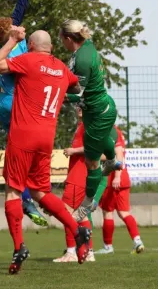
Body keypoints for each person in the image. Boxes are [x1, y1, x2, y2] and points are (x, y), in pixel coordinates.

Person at [0, 27, 91, 274]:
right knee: (40, 191)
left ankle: (19, 246)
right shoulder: (62, 68)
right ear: (52, 48)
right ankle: (78, 231)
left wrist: (13, 40)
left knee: (13, 190)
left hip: (23, 135)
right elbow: (76, 88)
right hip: (46, 138)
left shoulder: (27, 60)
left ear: (31, 46)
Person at [0, 0, 47, 227]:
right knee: (26, 154)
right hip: (16, 105)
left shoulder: (8, 45)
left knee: (16, 155)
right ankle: (29, 198)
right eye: (14, 24)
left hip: (4, 104)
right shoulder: (16, 49)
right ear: (10, 30)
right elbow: (22, 1)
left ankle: (26, 199)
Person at [59, 19, 122, 222]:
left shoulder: (83, 59)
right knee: (102, 142)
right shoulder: (86, 47)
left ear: (68, 39)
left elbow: (79, 94)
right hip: (99, 110)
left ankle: (88, 203)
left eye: (62, 39)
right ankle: (112, 161)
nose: (61, 43)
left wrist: (54, 95)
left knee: (92, 163)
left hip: (98, 115)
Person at [52, 106, 107, 263]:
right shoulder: (82, 126)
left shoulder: (89, 126)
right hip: (77, 177)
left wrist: (74, 151)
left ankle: (71, 252)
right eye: (78, 105)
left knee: (66, 213)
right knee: (81, 216)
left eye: (84, 105)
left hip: (79, 178)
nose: (79, 107)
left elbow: (98, 152)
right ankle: (89, 252)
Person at [95, 126, 145, 255]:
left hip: (113, 178)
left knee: (108, 212)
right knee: (124, 213)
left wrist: (116, 176)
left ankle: (108, 247)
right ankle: (137, 241)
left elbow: (118, 153)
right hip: (122, 178)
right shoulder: (115, 130)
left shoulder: (110, 130)